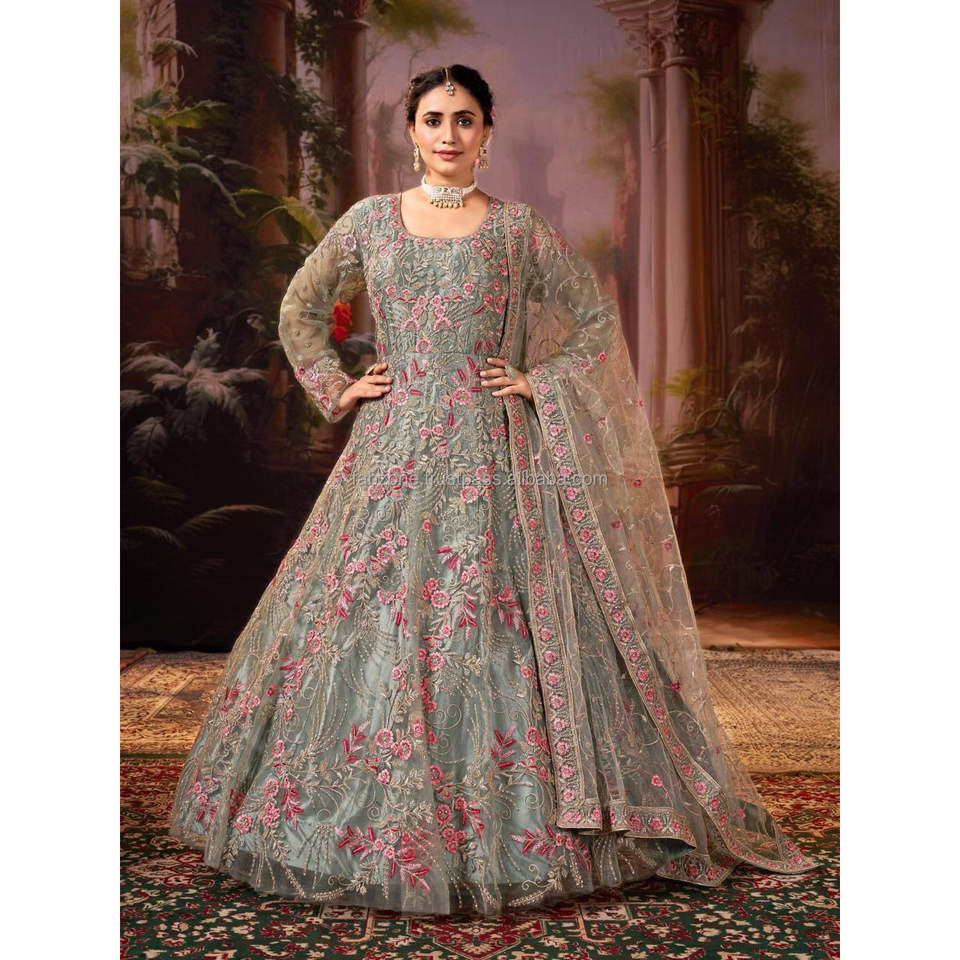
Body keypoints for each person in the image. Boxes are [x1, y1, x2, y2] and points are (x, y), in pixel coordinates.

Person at [167, 63, 818, 916]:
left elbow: (592, 326)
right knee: (371, 618)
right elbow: (301, 308)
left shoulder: (518, 231)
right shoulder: (371, 222)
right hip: (394, 453)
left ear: (488, 131)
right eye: (434, 118)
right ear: (411, 131)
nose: (449, 134)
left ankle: (524, 829)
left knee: (496, 623)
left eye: (465, 119)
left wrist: (538, 381)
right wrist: (340, 386)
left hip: (498, 458)